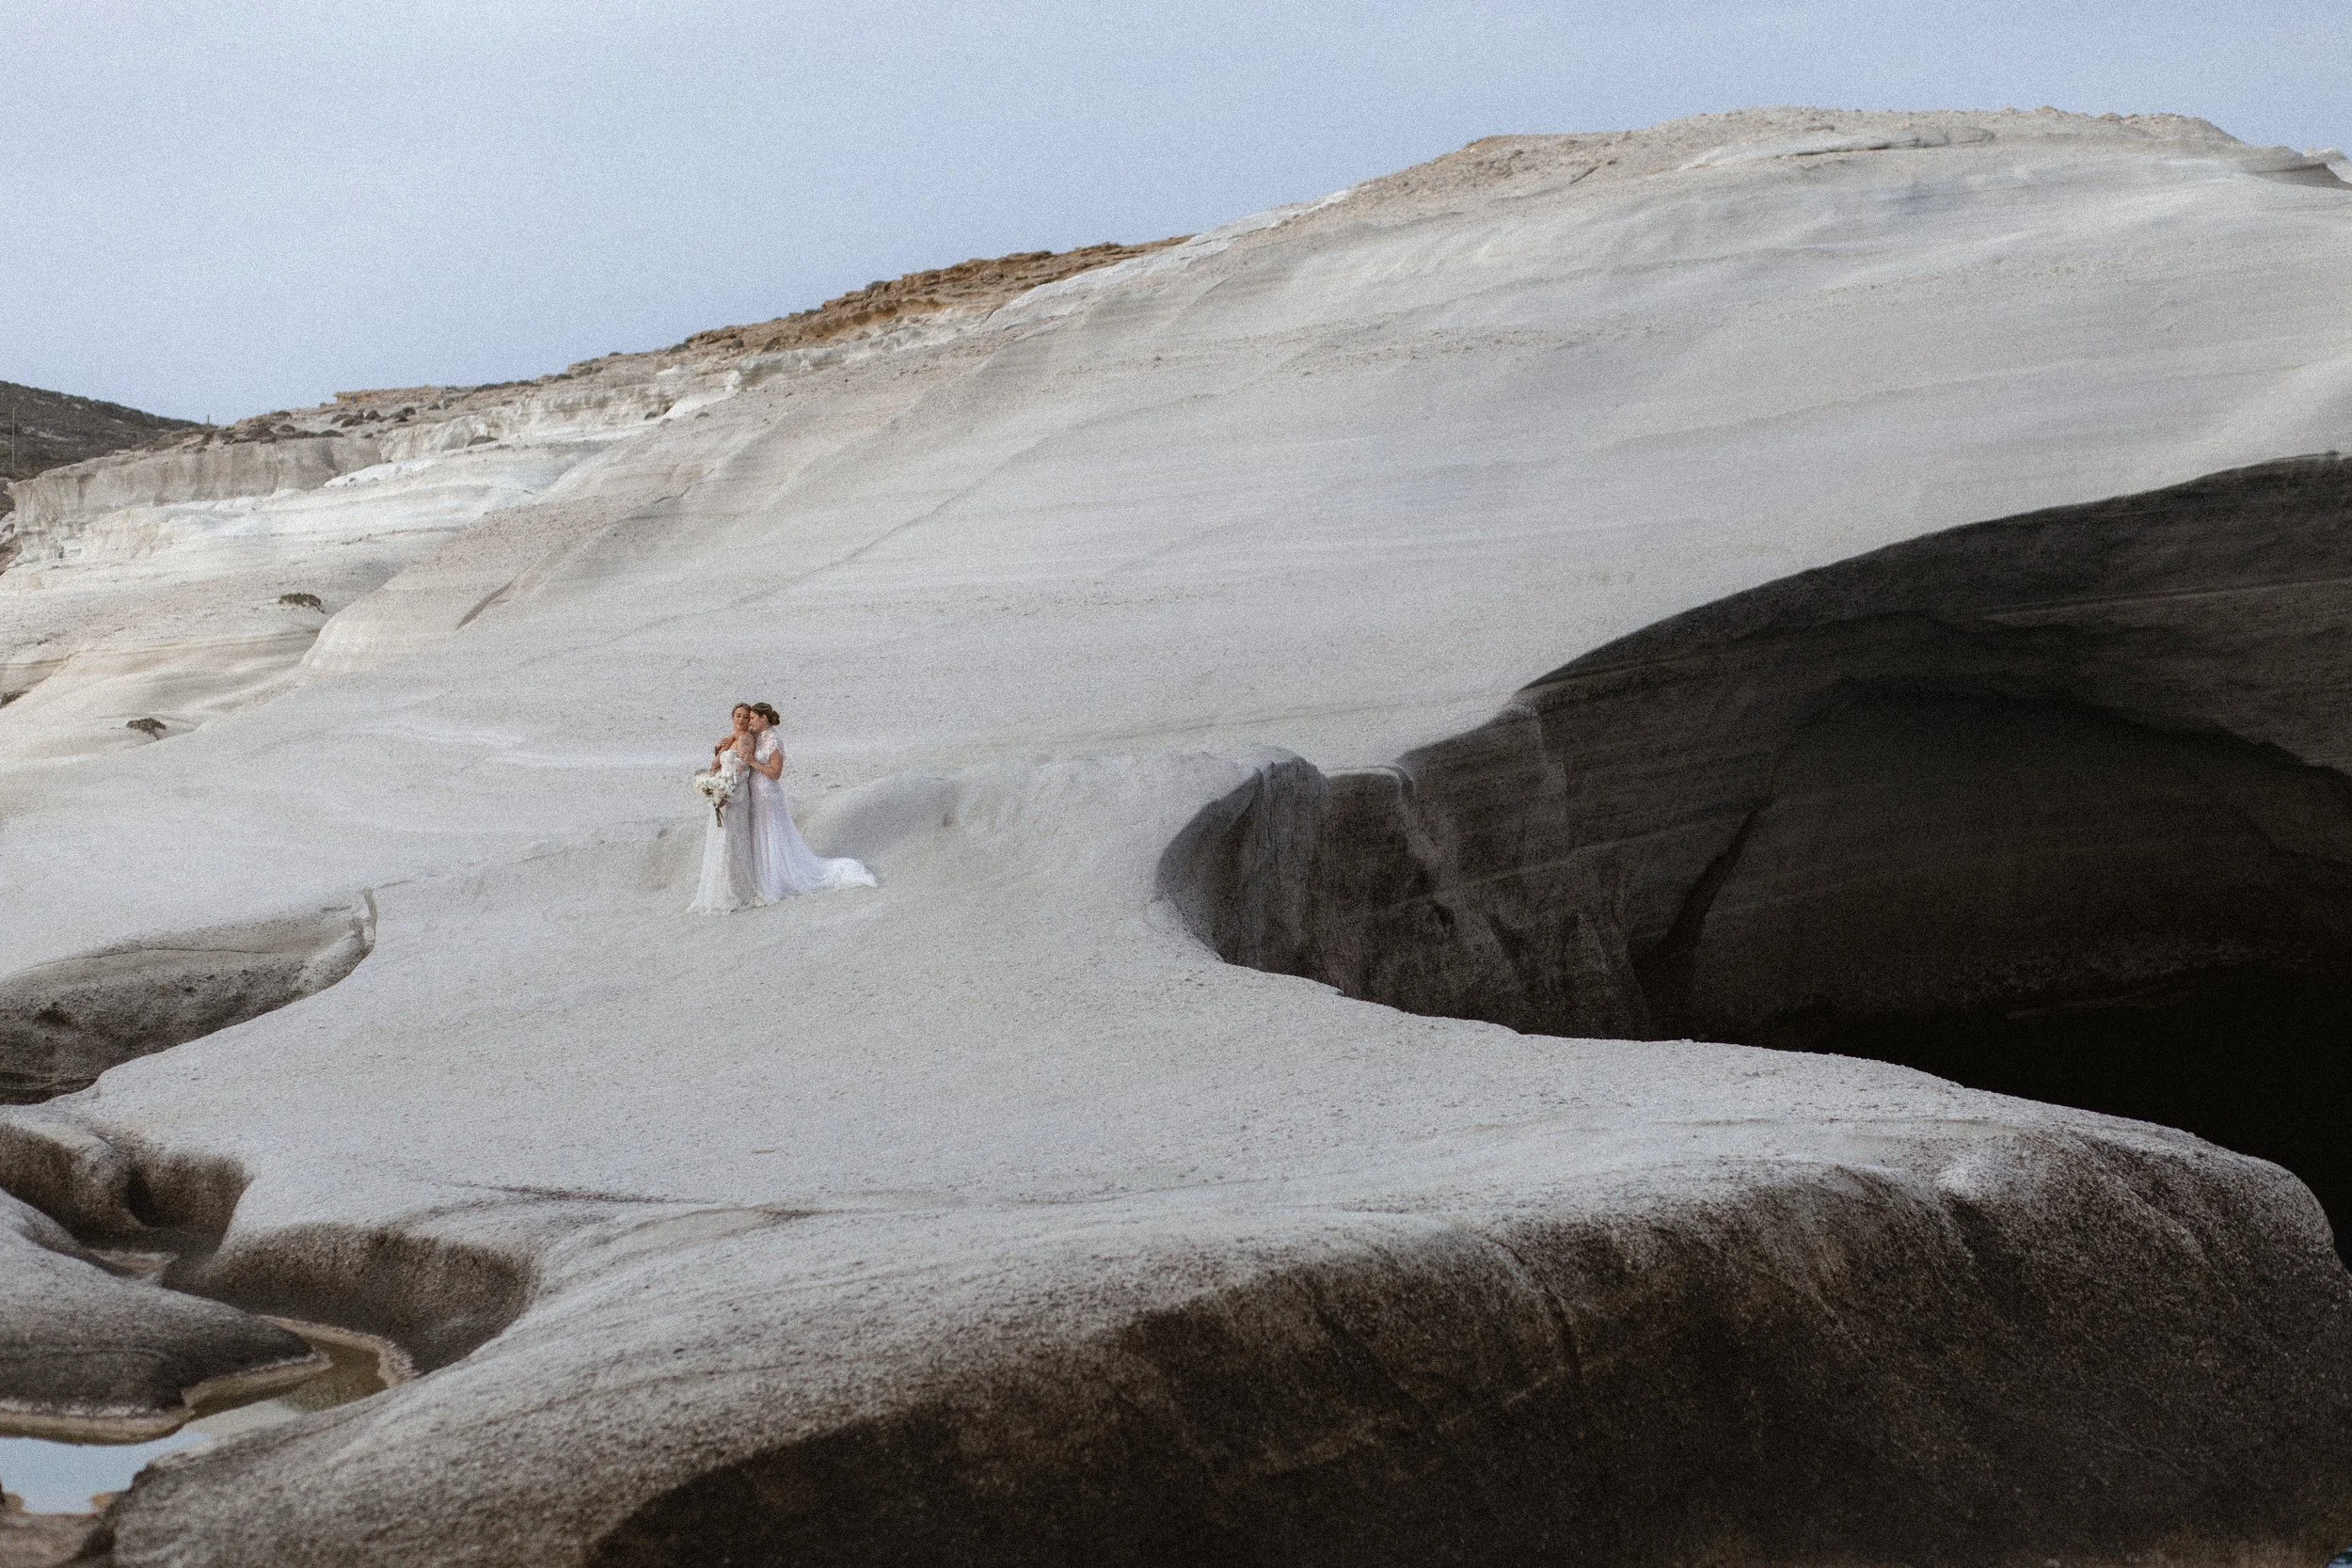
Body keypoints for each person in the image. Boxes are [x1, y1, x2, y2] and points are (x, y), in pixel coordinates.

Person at [742, 702, 876, 898]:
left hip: (768, 794)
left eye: (753, 718)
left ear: (764, 718)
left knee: (771, 833)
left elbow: (776, 773)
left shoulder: (774, 741)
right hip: (755, 793)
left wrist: (753, 762)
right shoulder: (756, 737)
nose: (750, 721)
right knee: (760, 833)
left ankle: (775, 881)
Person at [688, 705, 762, 913]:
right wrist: (714, 787)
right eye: (738, 716)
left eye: (746, 717)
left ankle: (737, 891)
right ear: (732, 717)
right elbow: (716, 766)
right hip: (722, 794)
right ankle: (720, 890)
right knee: (720, 841)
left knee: (733, 841)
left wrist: (726, 794)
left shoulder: (746, 739)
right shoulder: (730, 739)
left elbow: (742, 771)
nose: (742, 720)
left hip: (735, 796)